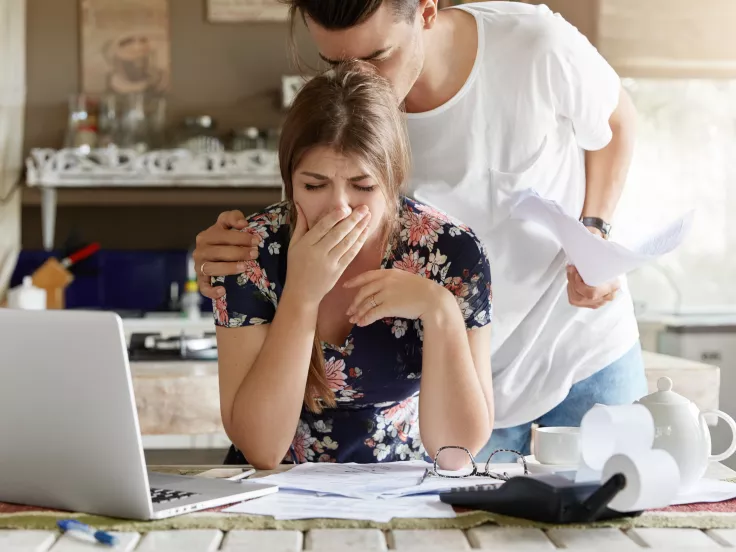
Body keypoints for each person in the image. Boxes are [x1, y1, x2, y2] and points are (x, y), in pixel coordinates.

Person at [194, 1, 645, 462]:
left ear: (426, 12)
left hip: (573, 340)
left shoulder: (533, 44)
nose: (357, 80)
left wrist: (595, 233)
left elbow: (616, 122)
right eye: (335, 64)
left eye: (376, 58)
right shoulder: (342, 123)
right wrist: (231, 256)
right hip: (454, 375)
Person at [212, 63, 494, 469]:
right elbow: (261, 449)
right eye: (313, 185)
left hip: (401, 488)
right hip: (274, 491)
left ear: (394, 179)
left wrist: (440, 310)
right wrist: (302, 295)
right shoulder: (249, 253)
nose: (338, 207)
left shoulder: (452, 253)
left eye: (363, 186)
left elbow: (457, 452)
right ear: (288, 179)